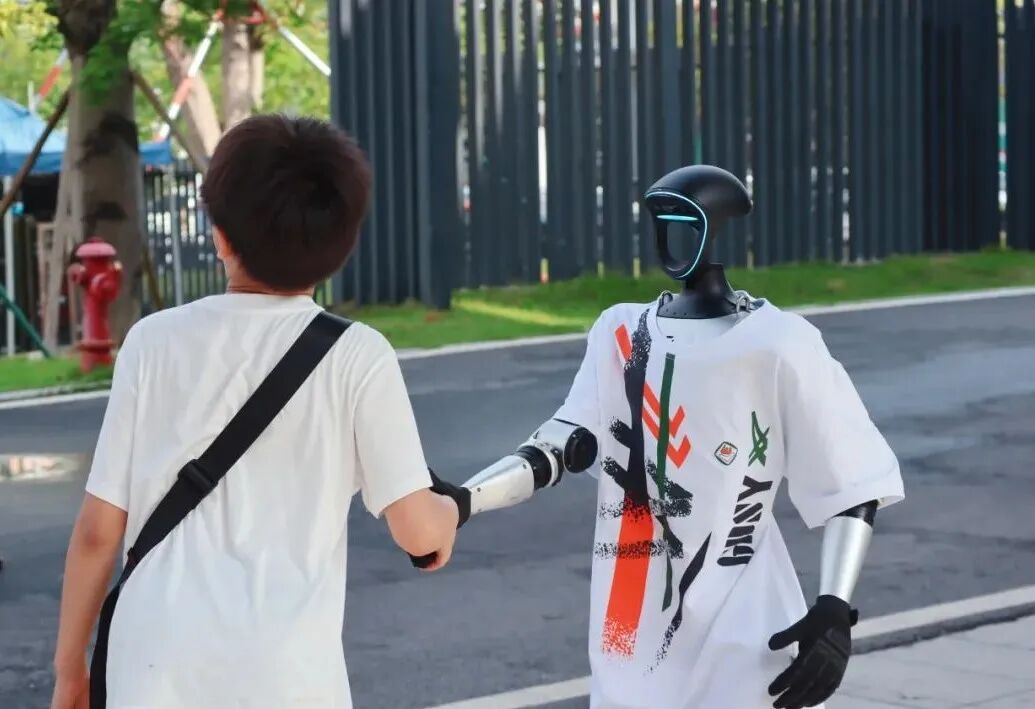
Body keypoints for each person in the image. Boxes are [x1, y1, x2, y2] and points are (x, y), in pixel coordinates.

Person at [51, 115, 459, 709]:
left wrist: (70, 668)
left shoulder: (151, 342)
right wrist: (446, 516)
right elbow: (416, 529)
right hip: (285, 675)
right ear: (341, 245)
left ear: (220, 237)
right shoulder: (359, 356)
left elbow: (97, 531)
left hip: (152, 662)